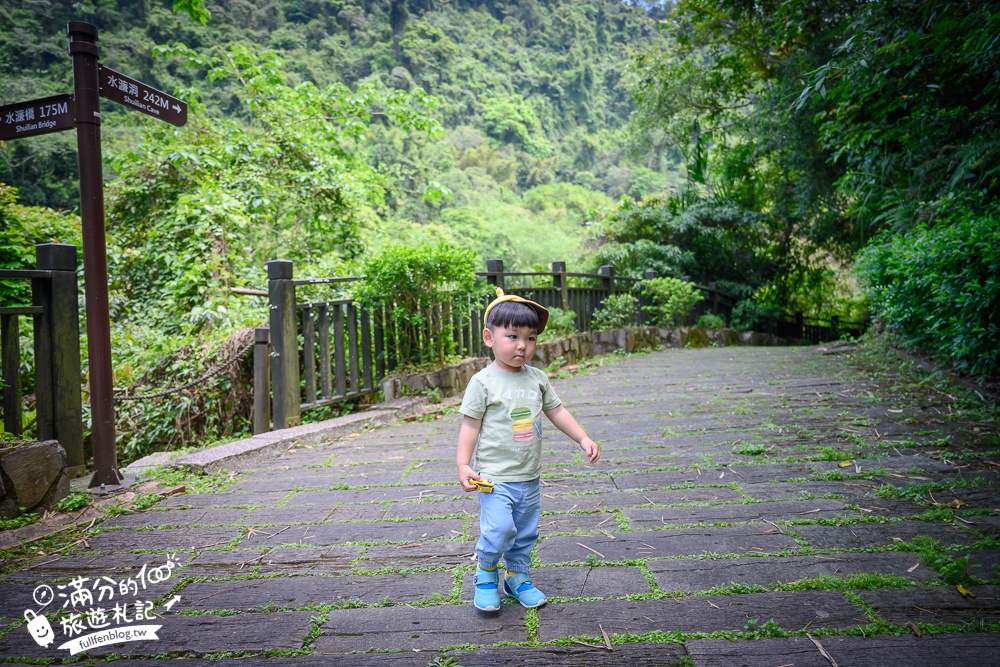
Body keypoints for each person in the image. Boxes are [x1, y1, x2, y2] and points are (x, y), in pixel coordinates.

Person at [456, 287, 600, 612]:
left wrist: (582, 437)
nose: (522, 345)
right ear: (489, 337)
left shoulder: (536, 378)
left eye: (531, 338)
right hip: (493, 477)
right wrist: (463, 464)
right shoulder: (482, 382)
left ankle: (516, 577)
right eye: (513, 336)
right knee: (498, 529)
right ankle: (486, 573)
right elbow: (470, 425)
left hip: (529, 477)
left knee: (524, 533)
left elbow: (557, 411)